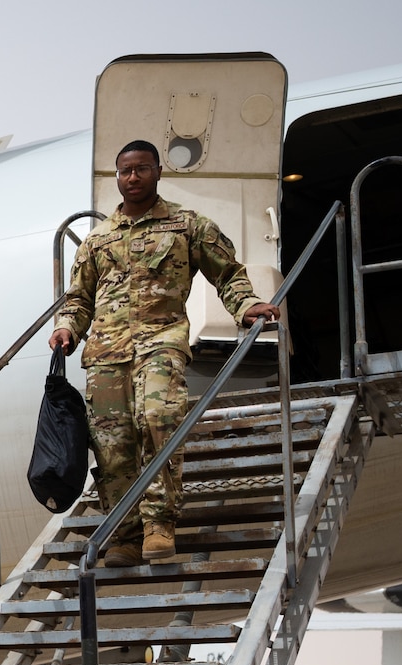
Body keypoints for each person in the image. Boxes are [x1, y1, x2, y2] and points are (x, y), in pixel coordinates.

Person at [49, 139, 278, 566]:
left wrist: (246, 307)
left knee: (158, 421)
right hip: (105, 354)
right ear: (117, 177)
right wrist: (66, 328)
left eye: (141, 169)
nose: (132, 177)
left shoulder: (187, 225)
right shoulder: (97, 241)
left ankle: (158, 524)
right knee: (111, 443)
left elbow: (227, 273)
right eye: (124, 171)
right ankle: (123, 533)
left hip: (161, 342)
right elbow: (78, 299)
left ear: (157, 172)